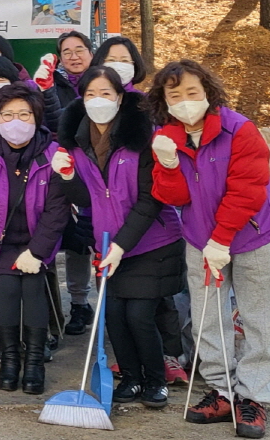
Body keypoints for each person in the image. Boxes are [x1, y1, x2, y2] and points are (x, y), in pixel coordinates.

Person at [148, 60, 270, 439]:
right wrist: (168, 163)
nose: (186, 101)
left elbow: (249, 189)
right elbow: (171, 196)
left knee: (261, 316)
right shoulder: (165, 136)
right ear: (164, 100)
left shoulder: (239, 130)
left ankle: (253, 397)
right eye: (175, 95)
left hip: (254, 237)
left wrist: (222, 238)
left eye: (192, 92)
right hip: (198, 240)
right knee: (208, 318)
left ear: (208, 91)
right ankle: (222, 391)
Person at [58, 64, 183, 409]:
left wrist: (121, 245)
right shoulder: (78, 142)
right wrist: (67, 177)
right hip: (107, 243)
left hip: (151, 242)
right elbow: (86, 199)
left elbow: (151, 199)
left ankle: (155, 380)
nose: (98, 101)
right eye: (90, 94)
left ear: (120, 96)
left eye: (106, 94)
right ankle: (130, 377)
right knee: (113, 316)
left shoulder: (141, 138)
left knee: (139, 317)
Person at [0, 83, 71, 395]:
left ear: (37, 117)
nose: (16, 121)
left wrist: (38, 251)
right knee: (7, 292)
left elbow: (58, 209)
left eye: (24, 114)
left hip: (37, 239)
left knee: (34, 290)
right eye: (8, 114)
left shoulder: (53, 153)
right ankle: (9, 359)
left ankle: (36, 361)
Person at [47, 31, 96, 337]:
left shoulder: (104, 82)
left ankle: (84, 302)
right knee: (67, 239)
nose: (74, 56)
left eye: (80, 50)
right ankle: (68, 307)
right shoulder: (52, 85)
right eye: (67, 52)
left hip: (99, 171)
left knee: (87, 240)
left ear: (91, 53)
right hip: (63, 168)